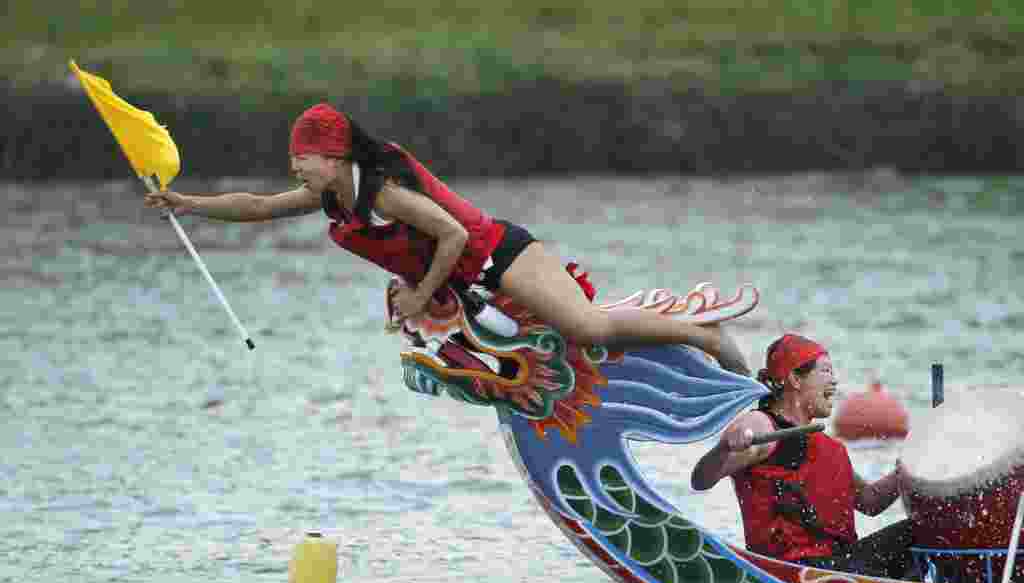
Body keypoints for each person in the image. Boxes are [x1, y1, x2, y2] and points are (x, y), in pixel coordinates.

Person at [144, 103, 749, 375]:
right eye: (294, 159)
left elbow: (454, 234)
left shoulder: (381, 190)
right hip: (471, 287)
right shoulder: (332, 192)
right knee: (568, 338)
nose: (296, 170)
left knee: (588, 328)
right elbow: (258, 206)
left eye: (304, 159)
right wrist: (186, 204)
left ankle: (703, 335)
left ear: (334, 157)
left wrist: (418, 295)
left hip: (500, 257)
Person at [690, 333, 914, 579]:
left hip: (840, 568)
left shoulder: (829, 447)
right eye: (826, 371)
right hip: (791, 572)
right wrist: (724, 448)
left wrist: (907, 471)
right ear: (795, 379)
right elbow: (701, 480)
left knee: (921, 529)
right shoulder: (763, 425)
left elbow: (870, 502)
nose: (834, 381)